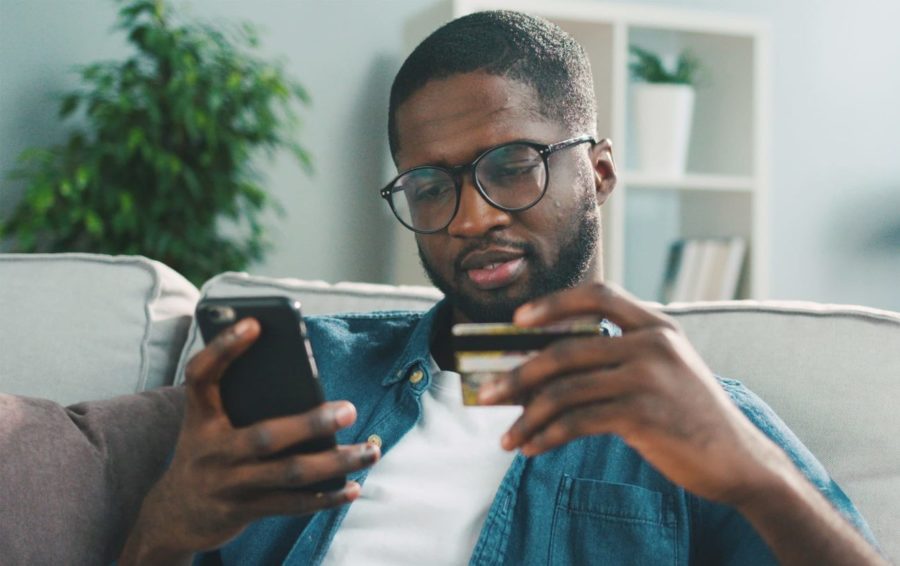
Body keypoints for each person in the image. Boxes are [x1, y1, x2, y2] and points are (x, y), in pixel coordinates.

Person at [120, 10, 885, 565]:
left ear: (600, 173)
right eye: (429, 185)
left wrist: (758, 480)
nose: (472, 215)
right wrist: (164, 530)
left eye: (513, 164)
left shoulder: (695, 415)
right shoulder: (319, 373)